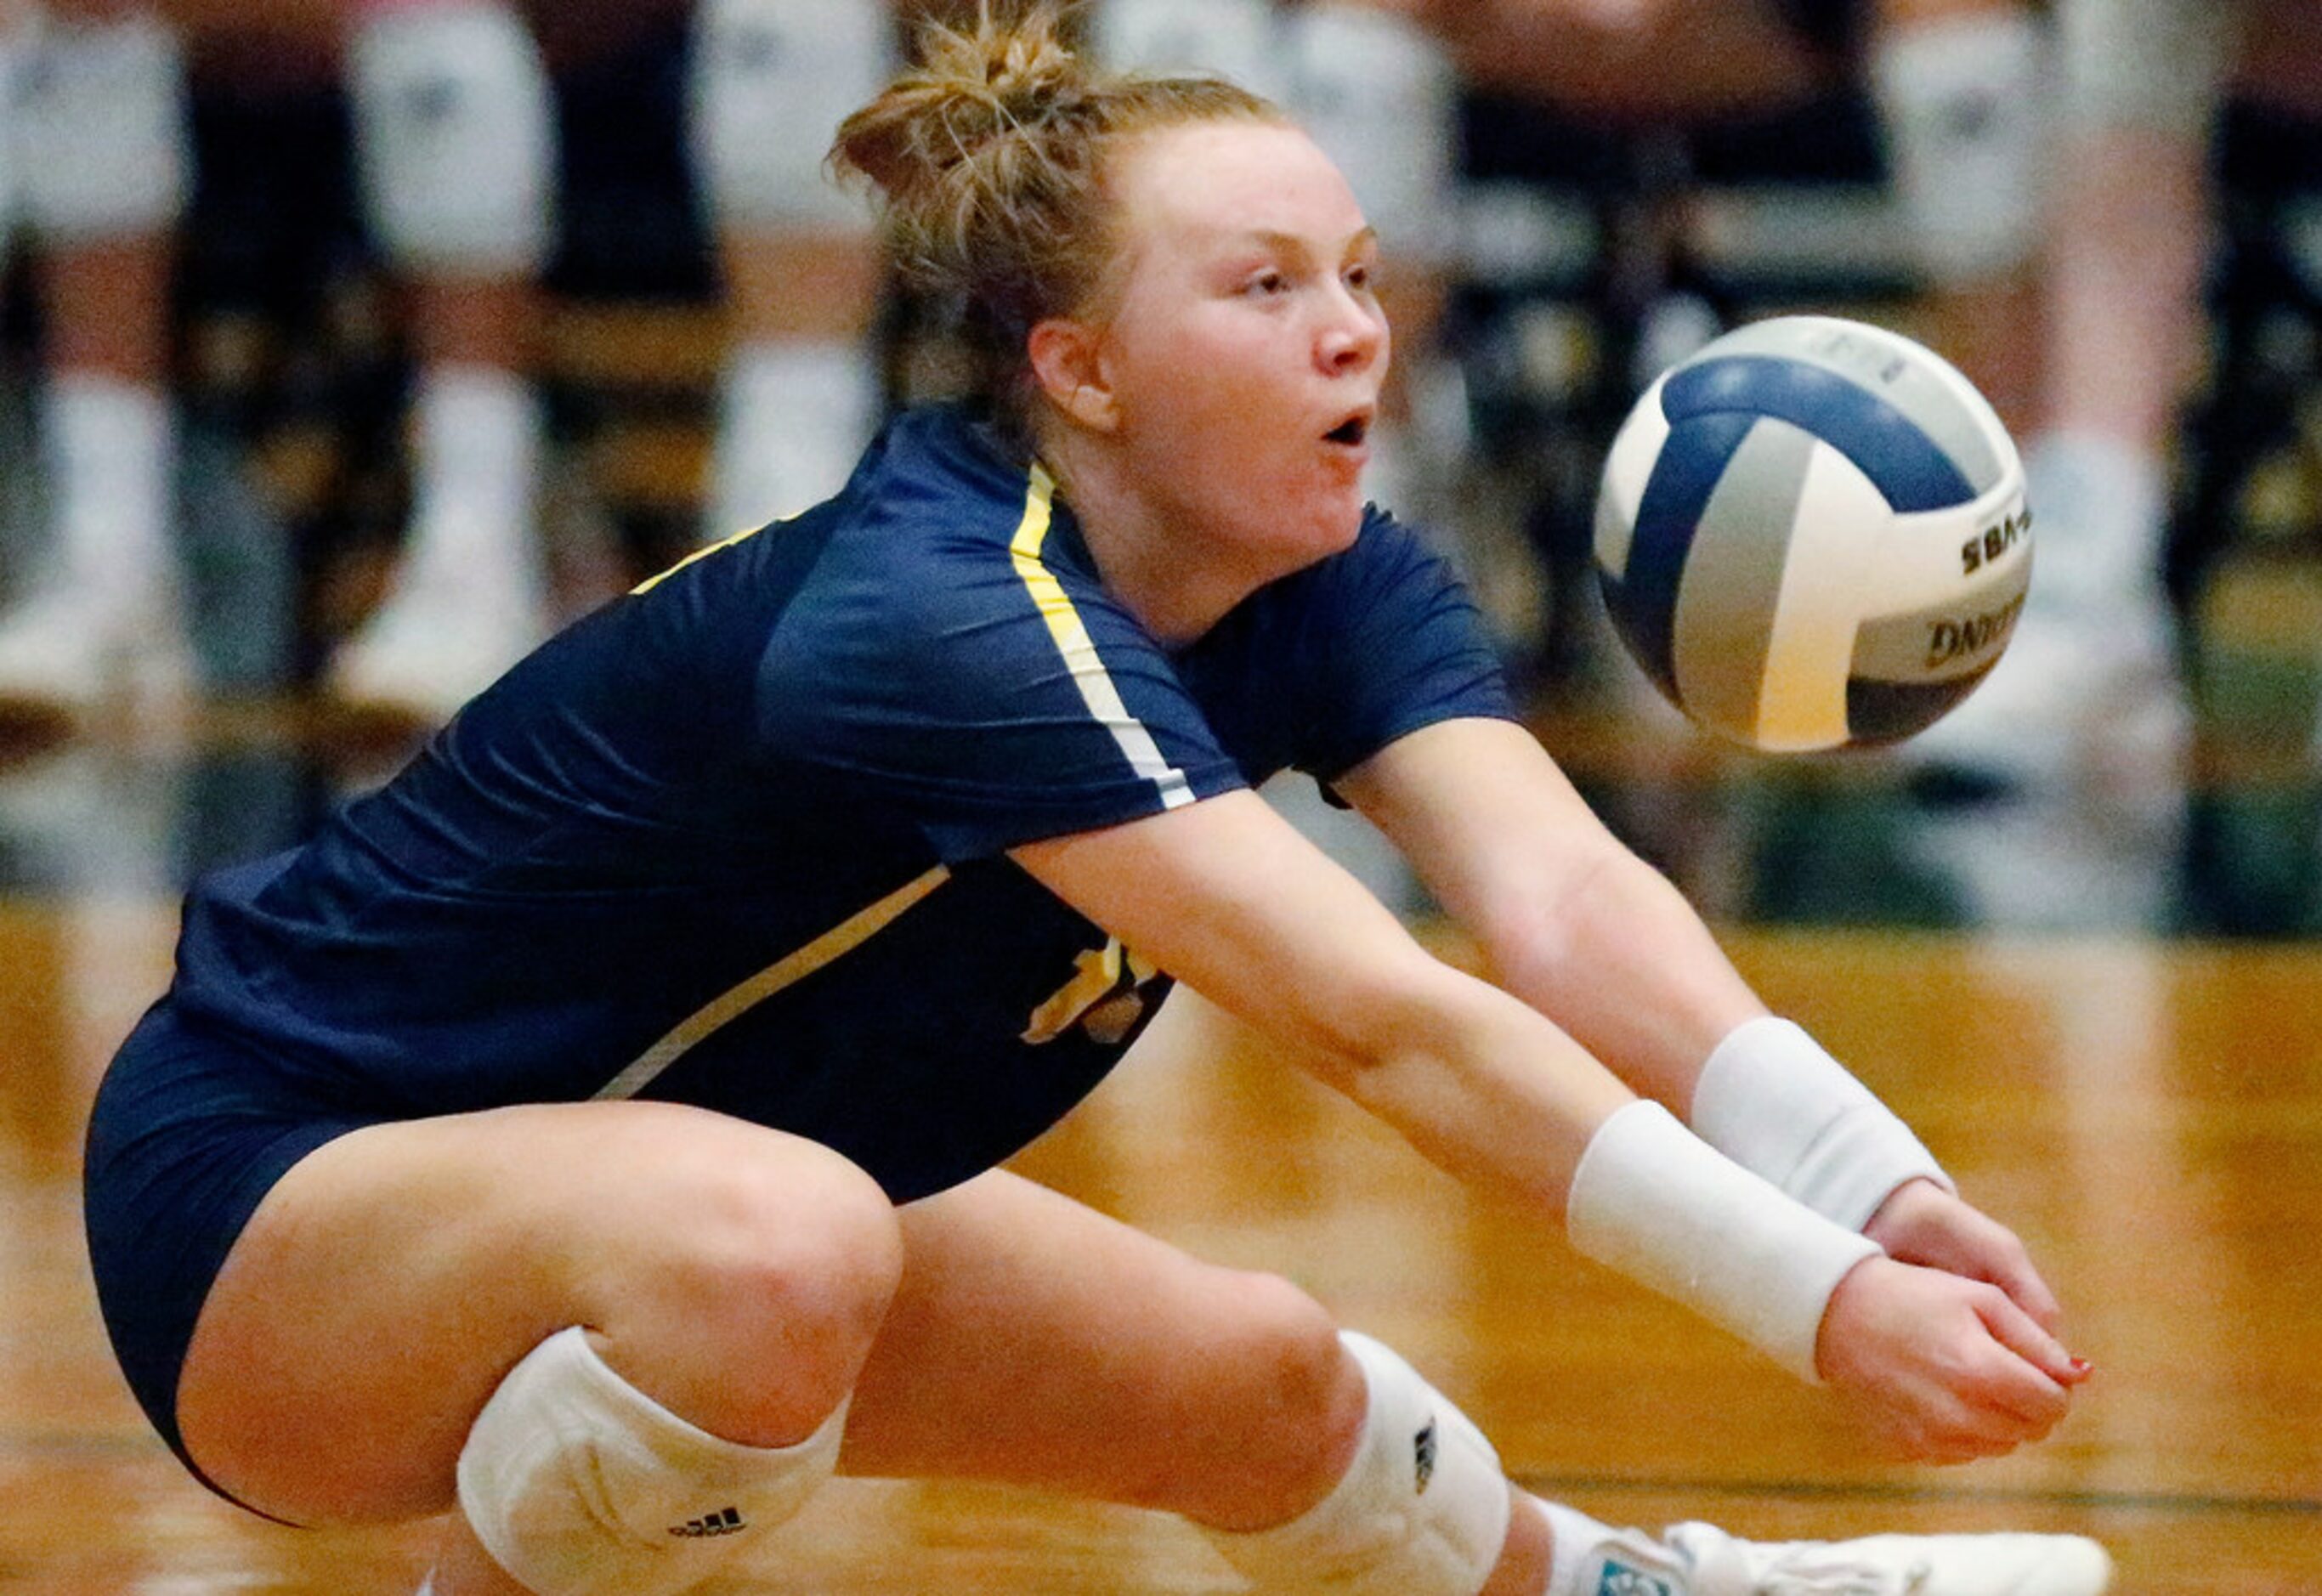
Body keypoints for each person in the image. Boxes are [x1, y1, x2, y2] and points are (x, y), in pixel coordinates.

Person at [82, 8, 2118, 1595]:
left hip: (652, 1166)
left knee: (1267, 1385)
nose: (1349, 331)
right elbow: (1377, 1017)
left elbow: (1566, 904)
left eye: (1355, 272)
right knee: (777, 1246)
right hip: (286, 1198)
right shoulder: (945, 609)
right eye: (1259, 289)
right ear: (1081, 369)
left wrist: (1875, 1192)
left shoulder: (1322, 580)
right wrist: (1811, 1301)